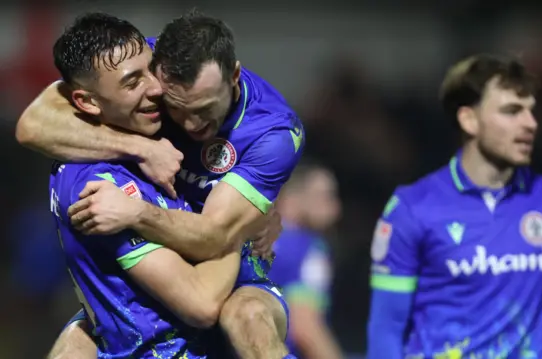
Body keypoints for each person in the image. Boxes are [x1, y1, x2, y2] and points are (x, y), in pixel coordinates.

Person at [18, 10, 303, 359]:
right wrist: (142, 147)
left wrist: (138, 213)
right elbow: (32, 125)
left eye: (205, 109)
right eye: (178, 106)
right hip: (165, 264)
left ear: (234, 76)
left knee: (247, 318)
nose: (191, 124)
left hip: (226, 264)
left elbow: (215, 237)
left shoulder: (272, 132)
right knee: (79, 341)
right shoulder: (145, 65)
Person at [366, 54, 542, 359]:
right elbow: (387, 325)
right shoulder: (412, 207)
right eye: (512, 111)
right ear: (468, 119)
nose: (530, 124)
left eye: (530, 111)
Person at [269, 162, 344, 359]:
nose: (336, 208)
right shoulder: (309, 248)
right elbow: (306, 328)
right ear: (292, 198)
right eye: (325, 197)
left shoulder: (250, 238)